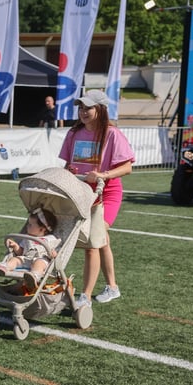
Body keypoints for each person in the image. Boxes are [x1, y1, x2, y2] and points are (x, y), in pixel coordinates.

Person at [59, 90, 135, 307]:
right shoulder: (74, 133)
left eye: (88, 108)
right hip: (81, 191)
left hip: (106, 193)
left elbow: (127, 167)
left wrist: (103, 175)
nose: (83, 112)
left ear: (100, 109)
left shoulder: (112, 134)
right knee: (102, 241)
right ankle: (112, 287)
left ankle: (85, 295)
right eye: (81, 108)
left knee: (93, 242)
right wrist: (69, 171)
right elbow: (67, 165)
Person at [0, 207, 59, 291]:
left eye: (30, 225)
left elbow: (55, 253)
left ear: (42, 229)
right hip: (26, 259)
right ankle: (3, 267)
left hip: (42, 260)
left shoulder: (50, 239)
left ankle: (34, 276)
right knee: (16, 259)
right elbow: (21, 252)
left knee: (39, 263)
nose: (27, 226)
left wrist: (54, 255)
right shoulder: (27, 238)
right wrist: (16, 246)